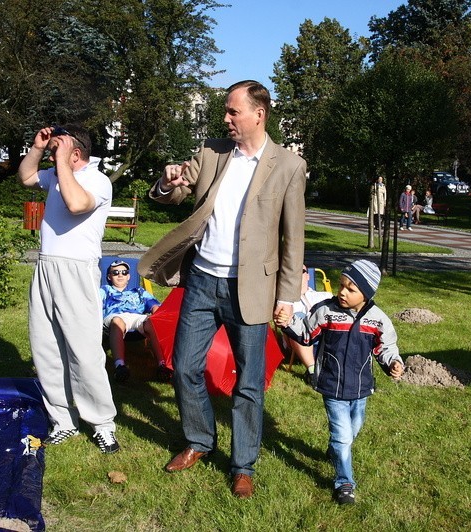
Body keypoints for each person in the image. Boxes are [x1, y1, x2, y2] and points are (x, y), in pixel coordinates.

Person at [138, 80, 307, 498]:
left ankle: (243, 465)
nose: (226, 119)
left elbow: (293, 238)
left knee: (248, 383)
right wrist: (167, 180)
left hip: (250, 288)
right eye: (226, 112)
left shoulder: (287, 165)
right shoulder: (212, 152)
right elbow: (173, 194)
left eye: (233, 112)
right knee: (184, 365)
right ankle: (199, 440)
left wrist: (286, 297)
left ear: (258, 114)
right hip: (201, 281)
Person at [18, 124, 120, 453]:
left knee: (84, 351)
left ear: (76, 154)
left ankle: (102, 423)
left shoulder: (97, 181)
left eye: (58, 149)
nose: (52, 154)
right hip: (47, 266)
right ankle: (63, 421)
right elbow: (25, 177)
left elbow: (76, 205)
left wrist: (60, 162)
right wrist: (37, 148)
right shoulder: (55, 174)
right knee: (46, 348)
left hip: (78, 271)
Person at [277, 259, 404, 505]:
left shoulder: (378, 321)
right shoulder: (326, 311)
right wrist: (288, 322)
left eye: (351, 289)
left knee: (353, 428)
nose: (342, 292)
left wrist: (393, 364)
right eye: (342, 285)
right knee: (343, 435)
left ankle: (335, 449)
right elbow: (305, 333)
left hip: (360, 389)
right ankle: (344, 483)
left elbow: (386, 348)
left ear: (366, 294)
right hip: (332, 386)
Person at [100, 260, 172, 383]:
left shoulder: (138, 291)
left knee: (151, 322)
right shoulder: (105, 290)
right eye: (115, 272)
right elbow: (93, 304)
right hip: (114, 316)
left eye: (124, 272)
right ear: (109, 277)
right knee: (118, 322)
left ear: (129, 276)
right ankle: (120, 366)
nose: (120, 275)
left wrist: (158, 317)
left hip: (136, 316)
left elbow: (154, 306)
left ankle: (162, 365)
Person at [284, 265, 332, 384]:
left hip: (325, 339)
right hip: (299, 340)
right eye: (294, 272)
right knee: (298, 317)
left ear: (308, 276)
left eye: (302, 271)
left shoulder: (325, 296)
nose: (297, 275)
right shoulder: (286, 302)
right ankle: (312, 372)